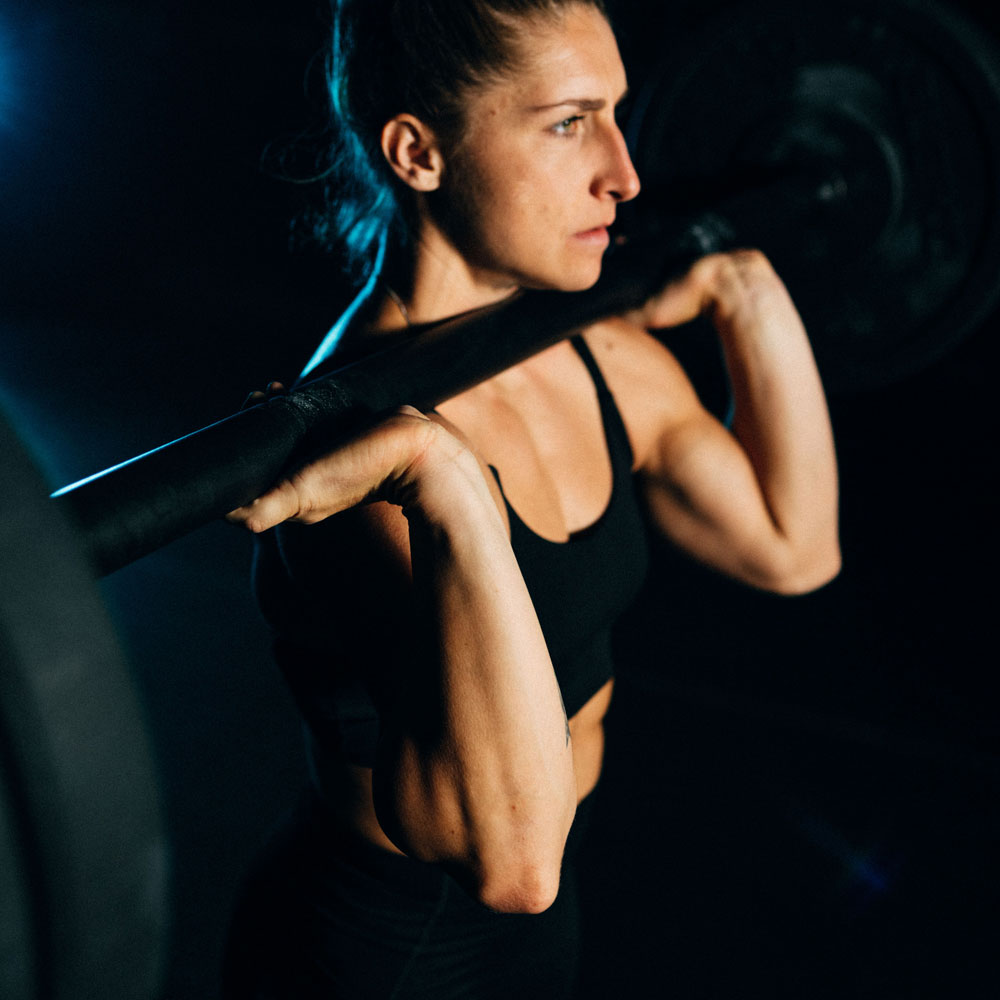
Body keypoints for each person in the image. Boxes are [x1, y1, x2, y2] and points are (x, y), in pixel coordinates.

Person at [222, 0, 841, 996]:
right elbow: (511, 861)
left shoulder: (591, 349)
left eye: (614, 112)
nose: (624, 173)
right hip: (382, 950)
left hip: (543, 929)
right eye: (567, 122)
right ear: (418, 152)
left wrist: (750, 295)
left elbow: (791, 546)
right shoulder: (350, 457)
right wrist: (451, 485)